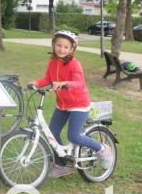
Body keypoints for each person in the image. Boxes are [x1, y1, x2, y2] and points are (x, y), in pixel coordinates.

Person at [33, 30, 115, 178]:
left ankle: (103, 149)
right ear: (53, 45)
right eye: (59, 45)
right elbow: (48, 80)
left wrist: (65, 83)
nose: (61, 49)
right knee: (52, 132)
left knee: (74, 136)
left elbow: (79, 82)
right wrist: (36, 83)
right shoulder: (52, 62)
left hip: (78, 104)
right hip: (62, 105)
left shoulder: (74, 64)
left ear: (72, 49)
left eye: (66, 47)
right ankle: (62, 164)